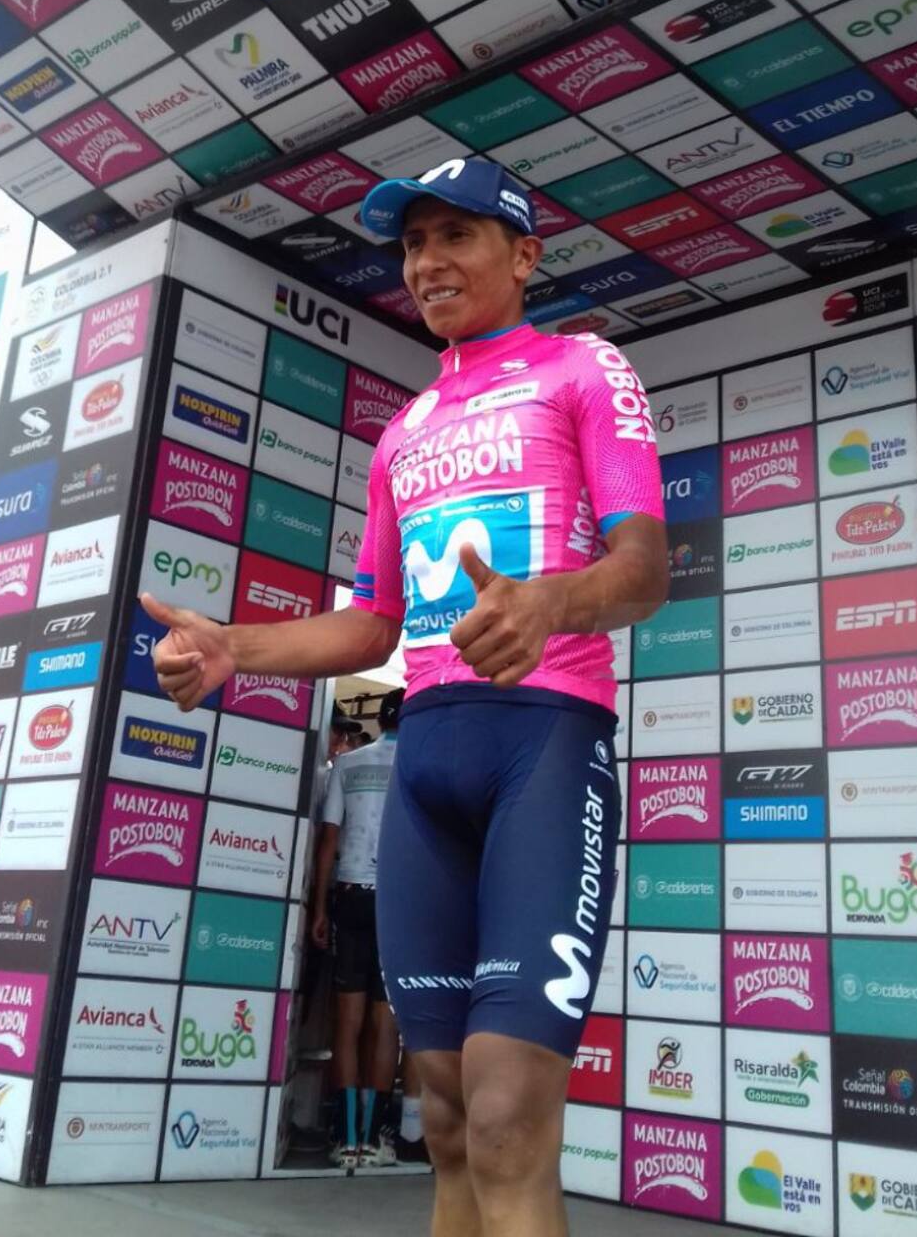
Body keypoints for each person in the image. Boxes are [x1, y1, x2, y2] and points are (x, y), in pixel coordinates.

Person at [142, 153, 668, 1237]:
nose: (427, 262)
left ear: (524, 254)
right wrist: (236, 646)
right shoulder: (404, 430)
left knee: (509, 1115)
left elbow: (646, 570)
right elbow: (374, 624)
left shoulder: (583, 366)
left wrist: (551, 603)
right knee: (445, 1118)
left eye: (455, 235)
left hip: (543, 748)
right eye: (413, 243)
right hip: (426, 763)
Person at [313, 688, 405, 1168]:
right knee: (385, 1025)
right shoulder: (420, 767)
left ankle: (345, 1139)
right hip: (399, 903)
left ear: (380, 722)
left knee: (347, 1025)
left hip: (349, 897)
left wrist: (318, 908)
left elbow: (328, 840)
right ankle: (376, 1140)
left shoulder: (346, 764)